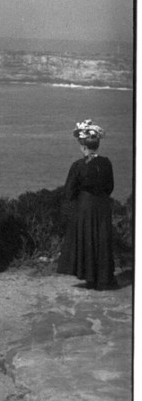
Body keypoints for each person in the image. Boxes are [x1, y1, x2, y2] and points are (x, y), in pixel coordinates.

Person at [63, 119, 116, 290]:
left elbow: (69, 190)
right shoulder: (106, 163)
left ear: (83, 147)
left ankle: (89, 277)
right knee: (102, 240)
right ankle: (104, 277)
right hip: (103, 206)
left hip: (85, 206)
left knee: (87, 240)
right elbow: (110, 187)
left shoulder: (78, 165)